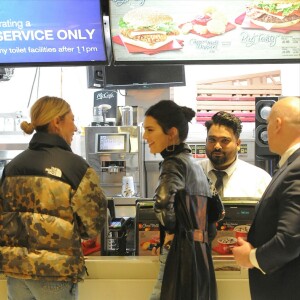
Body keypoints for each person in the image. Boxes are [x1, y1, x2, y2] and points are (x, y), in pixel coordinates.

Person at [0, 96, 107, 300]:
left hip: (16, 272)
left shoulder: (12, 167)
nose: (75, 128)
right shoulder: (76, 168)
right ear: (57, 122)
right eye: (72, 120)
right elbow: (92, 226)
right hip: (54, 272)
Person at [143, 100, 217, 300]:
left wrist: (170, 231)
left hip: (179, 252)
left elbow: (163, 203)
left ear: (172, 132)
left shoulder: (173, 163)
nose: (145, 136)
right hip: (200, 255)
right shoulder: (196, 167)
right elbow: (214, 218)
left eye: (150, 129)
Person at [232, 96, 300, 300]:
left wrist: (251, 257)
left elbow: (291, 238)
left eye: (267, 123)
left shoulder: (296, 169)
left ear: (277, 124)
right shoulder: (291, 166)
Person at [199, 111, 272, 242]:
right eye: (212, 140)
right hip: (197, 255)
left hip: (244, 255)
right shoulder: (191, 174)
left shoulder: (260, 180)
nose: (217, 146)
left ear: (238, 144)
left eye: (224, 141)